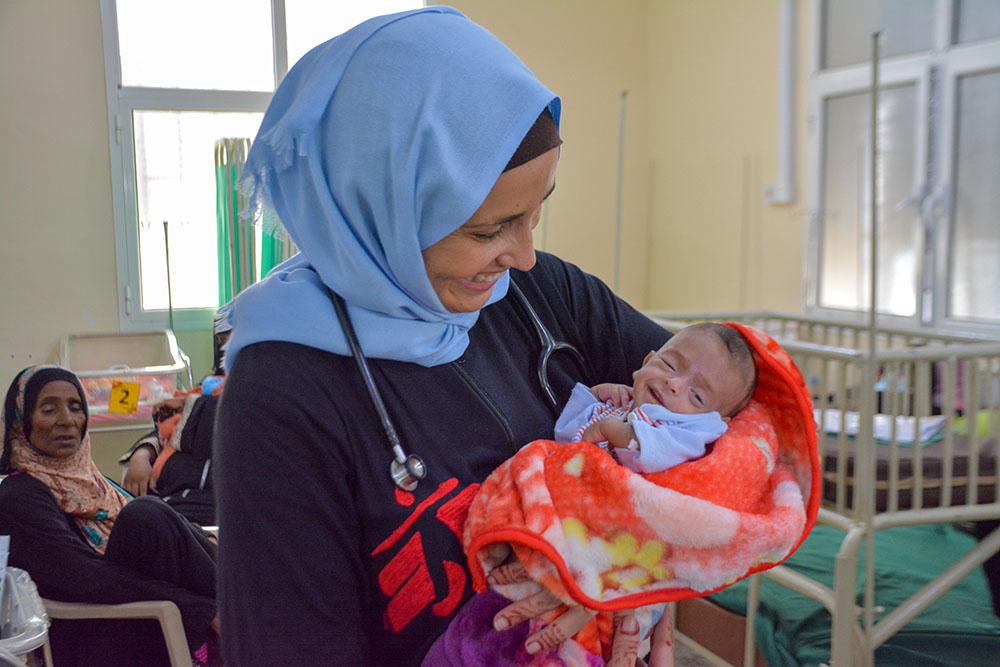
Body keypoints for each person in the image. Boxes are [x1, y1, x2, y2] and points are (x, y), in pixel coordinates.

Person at [214, 7, 674, 666]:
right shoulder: (285, 392)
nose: (524, 254)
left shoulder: (540, 298)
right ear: (381, 207)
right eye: (490, 229)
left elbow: (752, 410)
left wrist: (633, 568)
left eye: (537, 213)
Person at [0, 365, 219, 666]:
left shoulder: (93, 483)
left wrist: (206, 540)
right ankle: (241, 618)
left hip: (142, 614)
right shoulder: (19, 494)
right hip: (93, 631)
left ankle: (241, 612)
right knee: (144, 516)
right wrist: (201, 610)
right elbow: (85, 577)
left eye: (75, 407)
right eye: (49, 410)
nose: (67, 420)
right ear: (21, 421)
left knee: (152, 515)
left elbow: (168, 525)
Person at [557, 322, 757, 474]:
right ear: (647, 361)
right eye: (669, 365)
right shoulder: (620, 406)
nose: (674, 383)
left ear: (714, 423)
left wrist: (610, 429)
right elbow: (564, 432)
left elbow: (654, 453)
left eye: (697, 396)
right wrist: (594, 395)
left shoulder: (688, 435)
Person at [119, 307, 232, 525]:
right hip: (168, 499)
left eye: (232, 338)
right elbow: (167, 426)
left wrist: (187, 404)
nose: (227, 346)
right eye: (222, 339)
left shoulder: (264, 392)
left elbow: (217, 425)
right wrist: (142, 455)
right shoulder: (208, 385)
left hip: (212, 505)